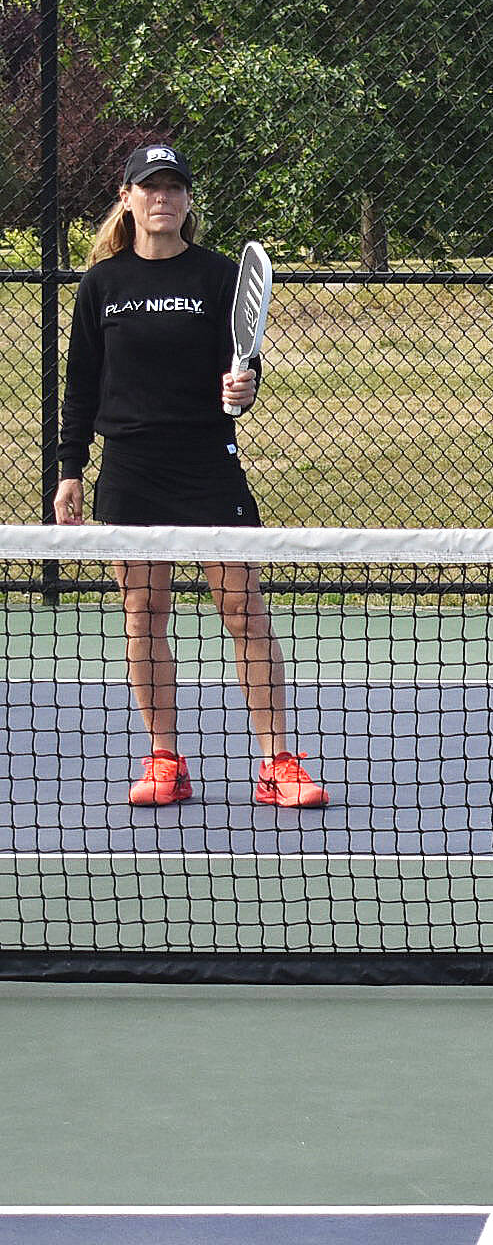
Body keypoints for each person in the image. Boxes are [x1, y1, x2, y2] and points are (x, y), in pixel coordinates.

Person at [54, 143, 327, 809]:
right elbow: (81, 385)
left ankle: (276, 764)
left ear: (187, 201)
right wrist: (70, 471)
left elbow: (243, 369)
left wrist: (244, 388)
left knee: (244, 610)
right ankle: (164, 760)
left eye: (175, 187)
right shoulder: (103, 285)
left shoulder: (217, 276)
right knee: (143, 613)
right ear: (127, 198)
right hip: (130, 470)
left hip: (208, 465)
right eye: (150, 187)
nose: (163, 198)